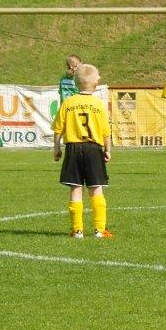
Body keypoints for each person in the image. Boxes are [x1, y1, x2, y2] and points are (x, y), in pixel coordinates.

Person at [52, 63, 113, 239]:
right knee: (96, 188)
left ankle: (77, 230)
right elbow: (106, 131)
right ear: (95, 82)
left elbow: (58, 129)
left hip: (73, 149)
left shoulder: (68, 103)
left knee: (75, 188)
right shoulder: (98, 104)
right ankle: (99, 230)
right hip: (93, 149)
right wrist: (108, 150)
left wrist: (56, 148)